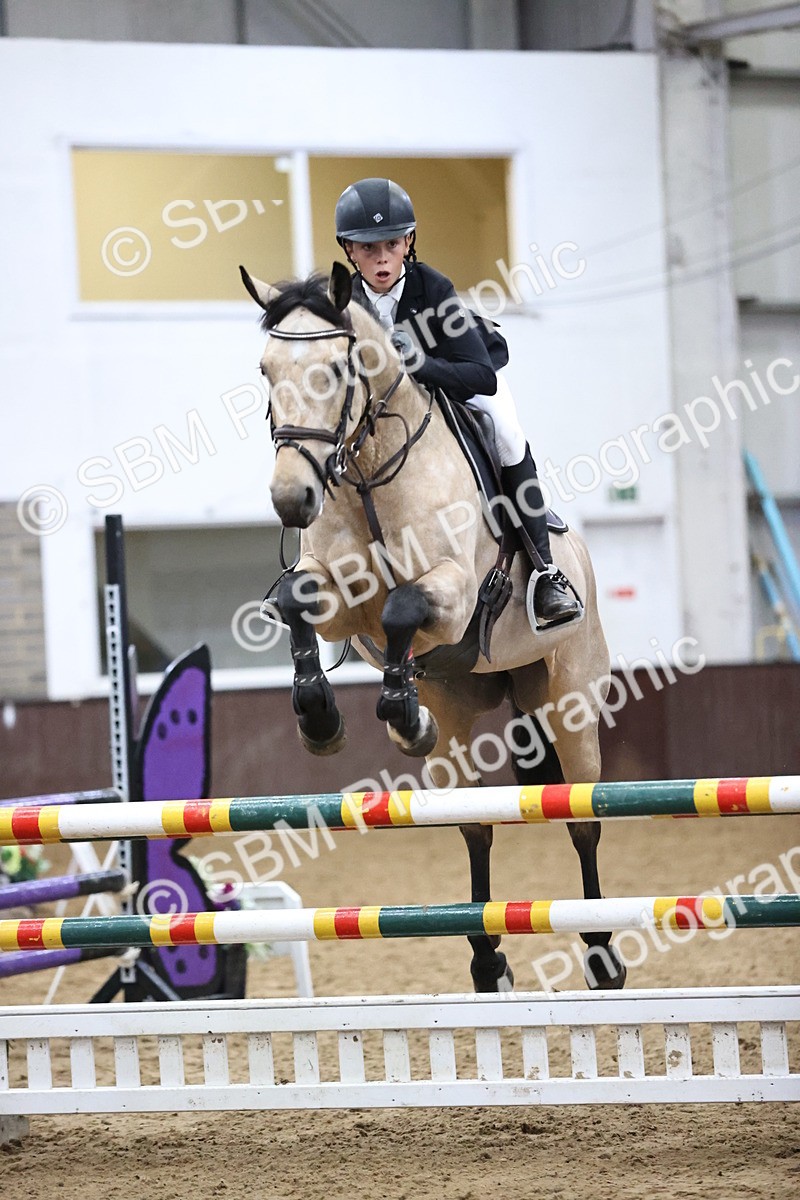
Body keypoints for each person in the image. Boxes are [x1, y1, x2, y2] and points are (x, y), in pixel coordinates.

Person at [334, 176, 579, 625]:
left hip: (457, 379)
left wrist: (419, 366)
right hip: (386, 410)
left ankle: (546, 573)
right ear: (348, 249)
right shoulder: (344, 302)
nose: (382, 257)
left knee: (506, 433)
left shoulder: (433, 288)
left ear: (408, 241)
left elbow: (481, 378)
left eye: (391, 243)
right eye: (368, 248)